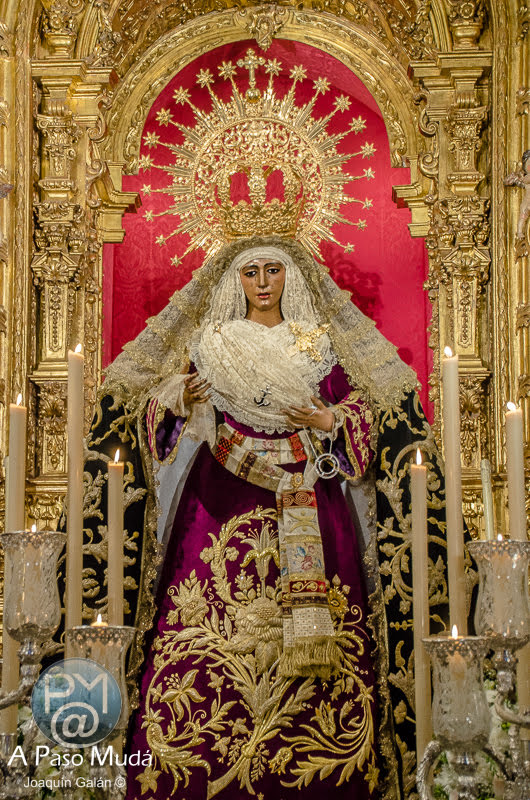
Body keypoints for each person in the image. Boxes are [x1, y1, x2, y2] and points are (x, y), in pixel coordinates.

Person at [83, 235, 452, 800]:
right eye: (250, 271)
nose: (261, 282)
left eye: (272, 270)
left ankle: (326, 767)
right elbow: (157, 414)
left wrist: (328, 420)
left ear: (290, 278)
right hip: (219, 497)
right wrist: (180, 397)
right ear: (235, 281)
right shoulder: (213, 344)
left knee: (326, 640)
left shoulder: (317, 345)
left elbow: (359, 413)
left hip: (309, 499)